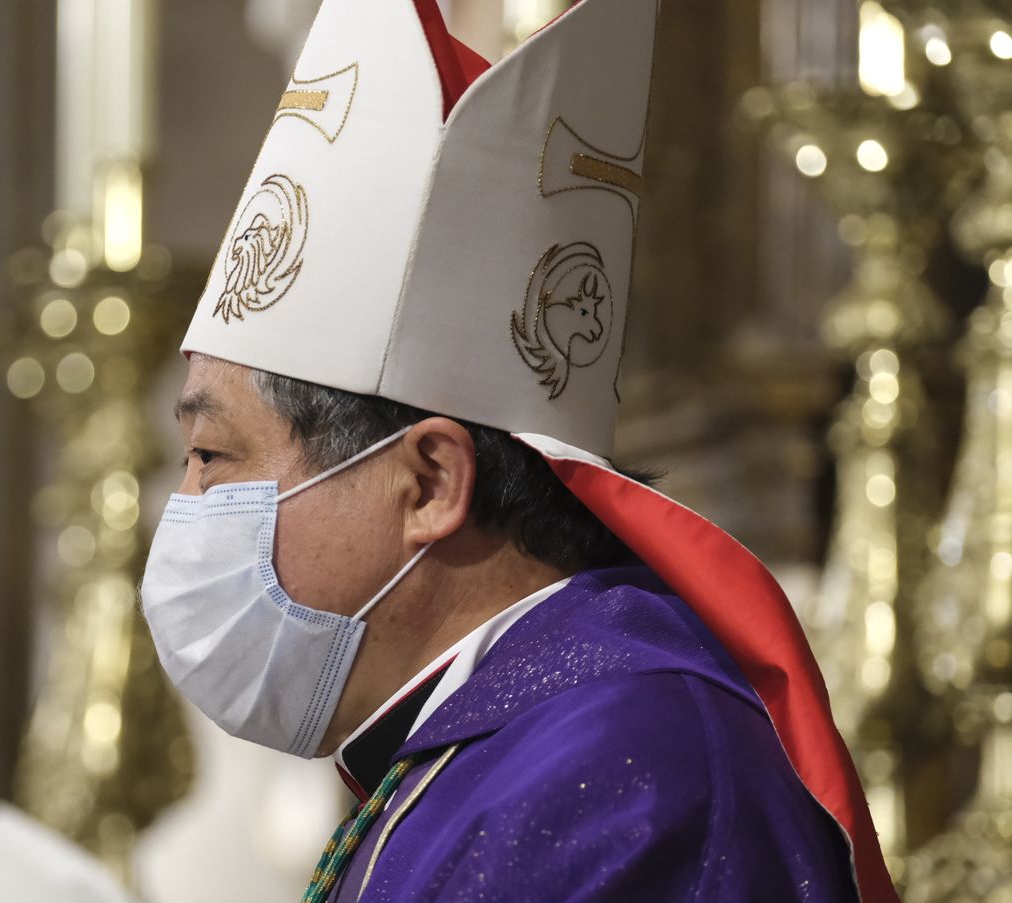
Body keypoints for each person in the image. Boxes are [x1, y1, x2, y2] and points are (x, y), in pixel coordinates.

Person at [139, 0, 898, 899]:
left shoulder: (633, 772)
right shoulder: (473, 745)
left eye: (213, 458)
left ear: (428, 482)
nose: (186, 510)